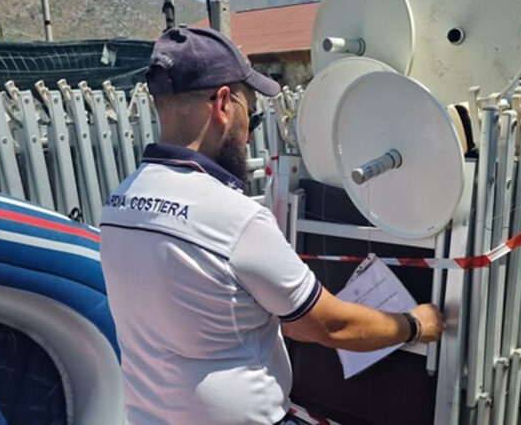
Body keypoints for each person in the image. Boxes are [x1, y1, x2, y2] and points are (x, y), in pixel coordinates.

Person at [99, 25, 444, 425]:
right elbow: (329, 325)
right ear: (224, 105)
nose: (248, 134)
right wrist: (415, 325)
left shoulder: (119, 202)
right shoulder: (233, 219)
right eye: (253, 114)